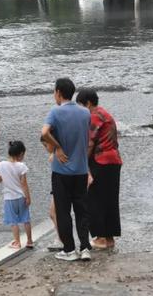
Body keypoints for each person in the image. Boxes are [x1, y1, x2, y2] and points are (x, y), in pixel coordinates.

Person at [41, 78, 92, 262]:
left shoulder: (55, 112)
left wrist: (58, 147)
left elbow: (44, 133)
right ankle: (85, 247)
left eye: (54, 92)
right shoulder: (85, 113)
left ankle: (69, 250)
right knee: (81, 210)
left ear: (59, 92)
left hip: (61, 171)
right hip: (80, 169)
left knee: (63, 212)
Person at [76, 88, 123, 250]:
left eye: (81, 106)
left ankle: (100, 237)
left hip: (100, 161)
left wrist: (82, 162)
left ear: (88, 103)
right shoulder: (105, 113)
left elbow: (90, 143)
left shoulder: (94, 116)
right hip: (114, 161)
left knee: (94, 199)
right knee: (110, 199)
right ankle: (109, 238)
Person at [0, 141, 33, 250]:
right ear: (21, 154)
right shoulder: (21, 166)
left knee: (13, 221)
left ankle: (17, 242)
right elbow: (24, 184)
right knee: (26, 219)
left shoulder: (2, 164)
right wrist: (28, 197)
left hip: (9, 198)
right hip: (21, 197)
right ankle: (29, 241)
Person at [40, 136, 63, 251]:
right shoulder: (56, 153)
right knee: (55, 213)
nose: (45, 148)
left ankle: (61, 240)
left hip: (59, 185)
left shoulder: (56, 154)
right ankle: (61, 238)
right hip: (58, 185)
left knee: (54, 213)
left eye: (46, 145)